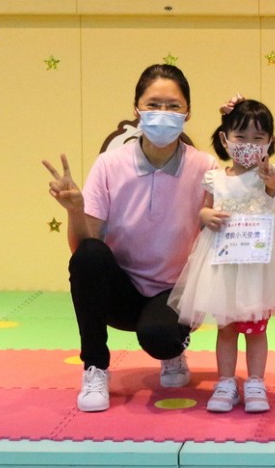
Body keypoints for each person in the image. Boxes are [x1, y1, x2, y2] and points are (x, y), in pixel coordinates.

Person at [42, 64, 217, 412]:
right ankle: (95, 367)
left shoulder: (205, 167)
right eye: (153, 105)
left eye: (173, 106)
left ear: (188, 113)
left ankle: (172, 353)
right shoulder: (109, 165)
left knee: (161, 337)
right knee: (89, 255)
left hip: (175, 295)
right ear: (136, 109)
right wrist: (75, 211)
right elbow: (82, 248)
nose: (162, 113)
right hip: (122, 293)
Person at [169, 99, 275, 414]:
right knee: (226, 328)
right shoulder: (215, 177)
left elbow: (271, 192)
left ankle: (255, 381)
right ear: (225, 138)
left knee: (257, 328)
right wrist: (205, 216)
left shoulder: (268, 174)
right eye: (241, 137)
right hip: (223, 264)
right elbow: (204, 208)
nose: (248, 145)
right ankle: (226, 382)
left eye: (258, 138)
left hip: (257, 266)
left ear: (269, 142)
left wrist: (270, 179)